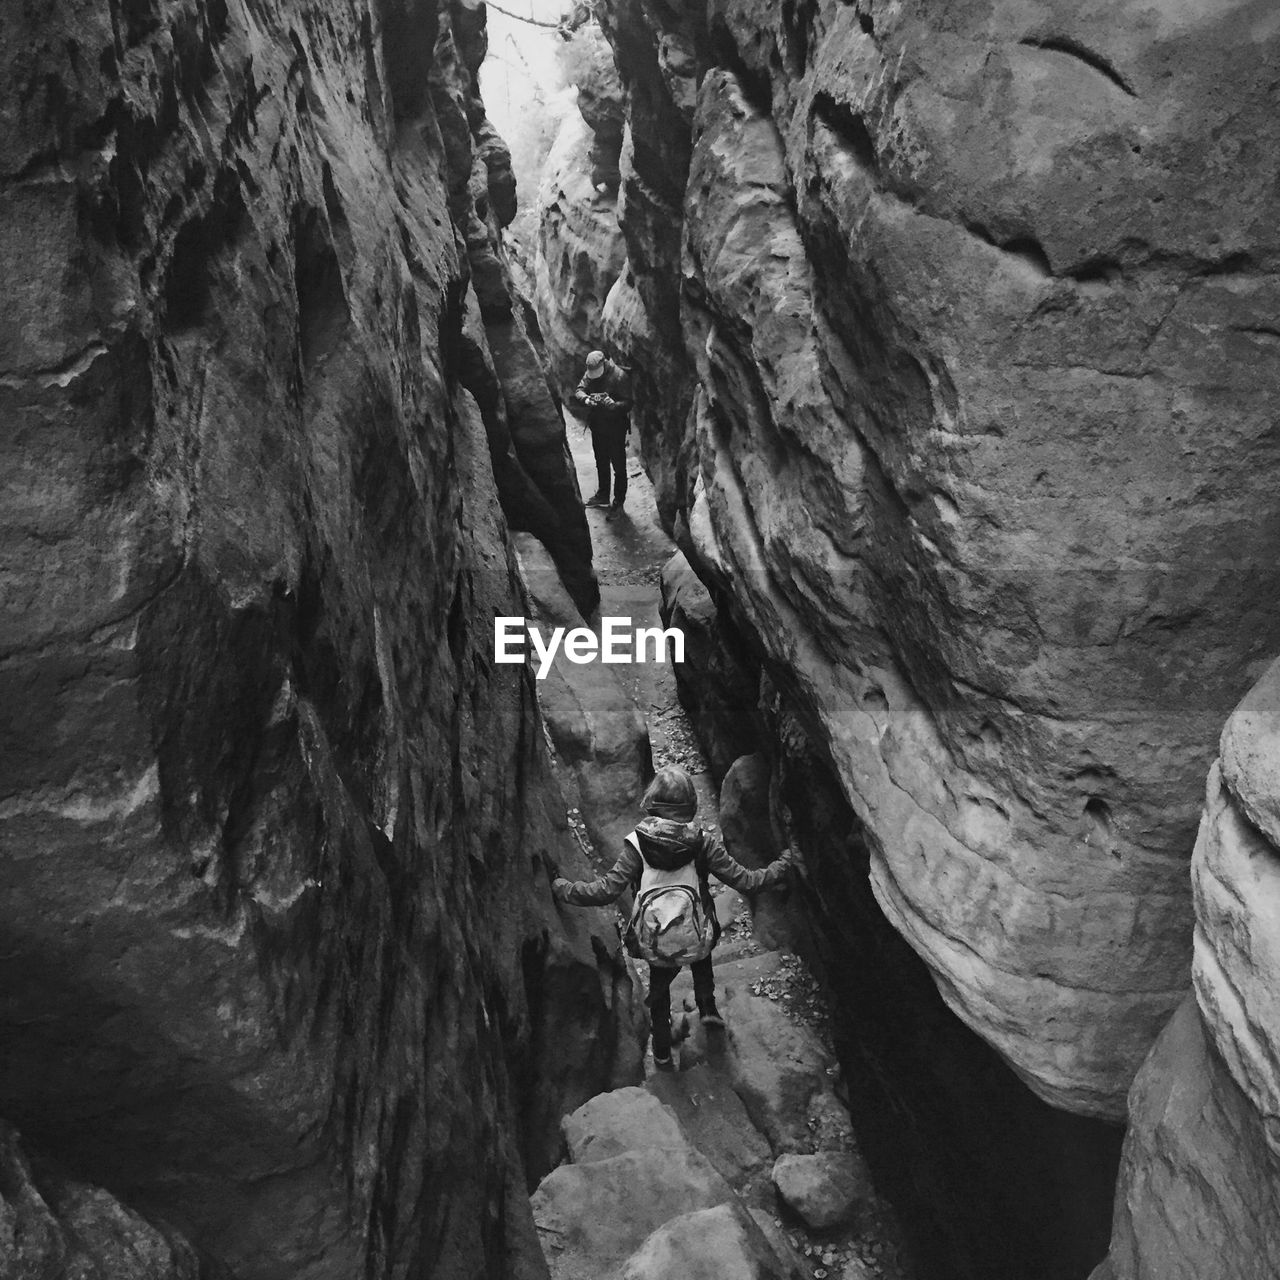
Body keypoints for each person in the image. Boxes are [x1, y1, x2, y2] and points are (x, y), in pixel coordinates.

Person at [551, 765, 798, 1069]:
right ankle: (708, 1008)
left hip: (656, 942)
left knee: (659, 992)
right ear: (691, 806)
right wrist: (784, 863)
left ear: (652, 804)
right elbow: (746, 881)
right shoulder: (703, 843)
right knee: (701, 943)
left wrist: (564, 888)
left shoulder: (636, 847)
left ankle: (663, 1053)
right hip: (697, 935)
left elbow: (605, 891)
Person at [570, 349, 632, 517]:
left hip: (616, 428)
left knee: (619, 467)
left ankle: (619, 501)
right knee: (601, 461)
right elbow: (579, 389)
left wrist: (615, 405)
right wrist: (586, 399)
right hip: (598, 426)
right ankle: (603, 494)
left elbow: (629, 403)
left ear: (604, 363)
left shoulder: (619, 376)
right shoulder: (589, 375)